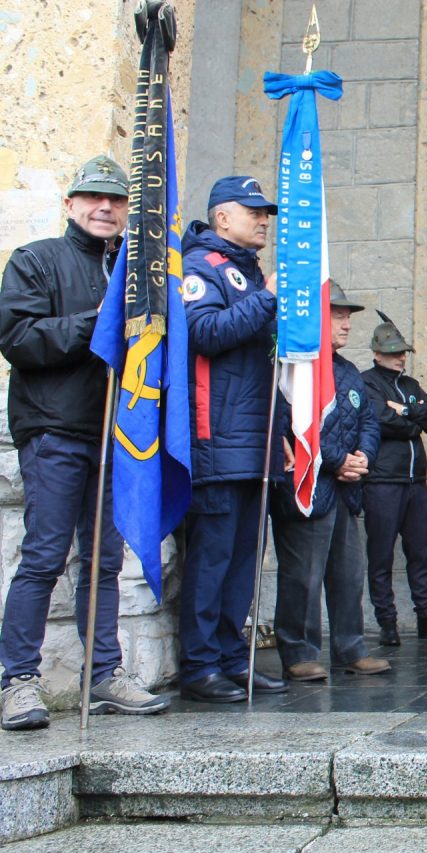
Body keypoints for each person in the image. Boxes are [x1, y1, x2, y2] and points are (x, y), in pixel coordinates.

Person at [0, 156, 170, 730]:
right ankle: (18, 681)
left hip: (115, 436)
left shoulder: (136, 272)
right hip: (55, 430)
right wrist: (95, 323)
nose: (106, 208)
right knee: (45, 556)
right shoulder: (35, 261)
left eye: (118, 201)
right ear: (70, 205)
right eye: (94, 198)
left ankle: (103, 673)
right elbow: (18, 338)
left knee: (103, 561)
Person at [178, 175, 285, 703]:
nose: (263, 219)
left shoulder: (248, 272)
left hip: (253, 443)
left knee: (243, 561)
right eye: (253, 211)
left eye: (266, 212)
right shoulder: (200, 267)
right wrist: (266, 300)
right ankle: (198, 666)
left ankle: (230, 659)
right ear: (222, 217)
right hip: (214, 440)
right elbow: (205, 334)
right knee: (212, 560)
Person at [271, 283, 387, 680]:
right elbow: (293, 426)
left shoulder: (348, 370)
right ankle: (299, 653)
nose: (347, 324)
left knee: (348, 574)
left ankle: (350, 648)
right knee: (302, 577)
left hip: (344, 490)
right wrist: (337, 460)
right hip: (306, 488)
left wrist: (363, 457)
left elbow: (369, 420)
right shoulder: (293, 368)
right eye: (338, 314)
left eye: (348, 316)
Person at [360, 312, 427, 646]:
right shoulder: (366, 382)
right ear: (377, 353)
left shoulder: (409, 387)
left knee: (421, 553)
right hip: (382, 482)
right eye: (394, 353)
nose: (400, 358)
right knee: (380, 556)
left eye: (403, 352)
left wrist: (406, 411)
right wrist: (412, 422)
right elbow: (380, 420)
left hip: (414, 483)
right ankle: (388, 623)